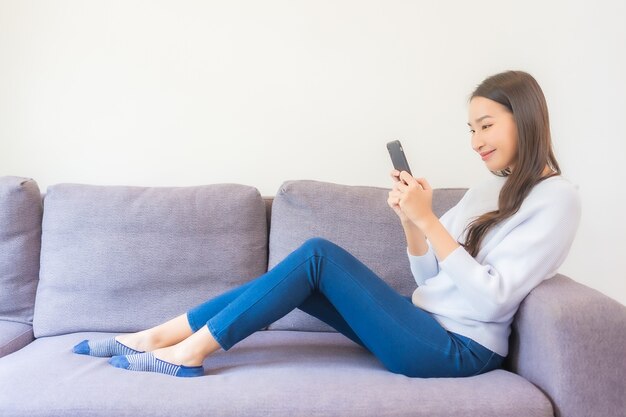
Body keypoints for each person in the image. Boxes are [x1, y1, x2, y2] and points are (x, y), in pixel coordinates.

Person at [73, 70, 581, 378]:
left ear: (527, 118)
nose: (476, 141)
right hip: (423, 322)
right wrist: (412, 222)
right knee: (301, 278)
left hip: (458, 349)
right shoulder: (488, 188)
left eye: (487, 125)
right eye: (471, 129)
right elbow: (430, 280)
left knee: (318, 254)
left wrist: (432, 221)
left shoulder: (556, 200)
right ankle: (156, 337)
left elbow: (493, 299)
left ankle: (187, 352)